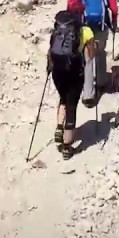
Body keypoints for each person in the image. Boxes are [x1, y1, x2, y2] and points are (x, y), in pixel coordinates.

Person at [46, 9, 97, 158]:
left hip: (57, 72)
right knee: (72, 106)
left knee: (63, 98)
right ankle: (67, 147)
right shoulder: (86, 31)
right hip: (75, 72)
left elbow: (51, 50)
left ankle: (59, 128)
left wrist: (49, 68)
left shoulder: (59, 28)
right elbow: (90, 55)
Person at [66, 0, 119, 104]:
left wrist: (73, 22)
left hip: (85, 27)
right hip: (101, 26)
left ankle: (88, 94)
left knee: (88, 57)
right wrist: (113, 23)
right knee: (100, 52)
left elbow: (71, 4)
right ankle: (101, 82)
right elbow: (113, 7)